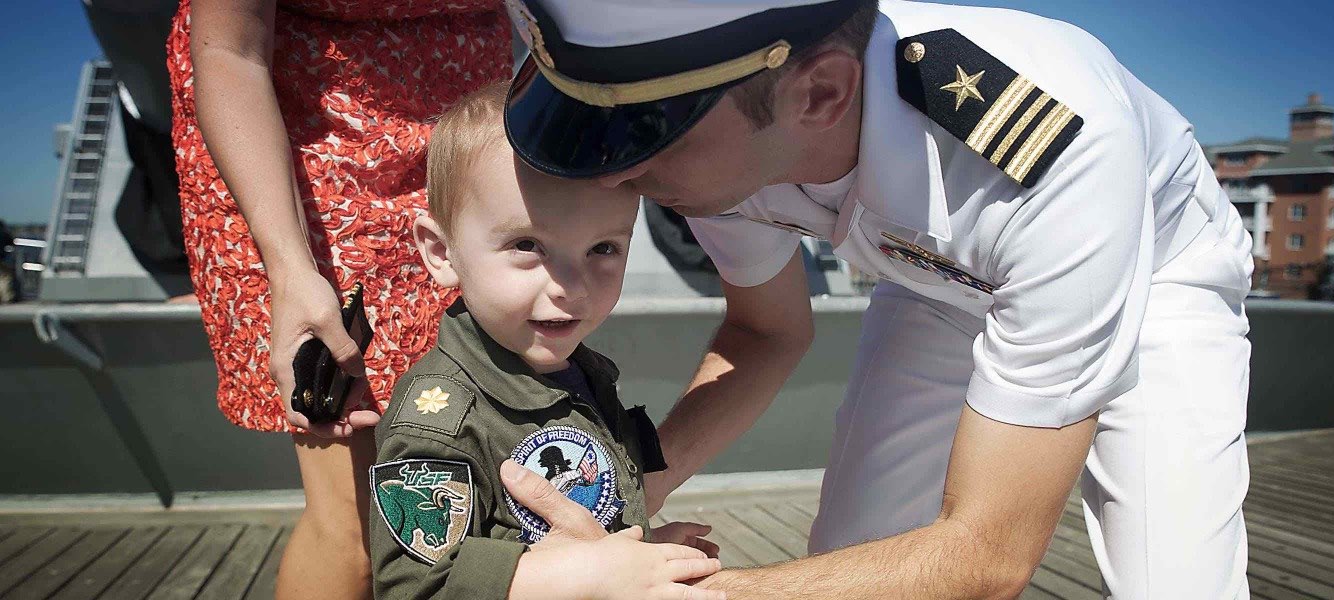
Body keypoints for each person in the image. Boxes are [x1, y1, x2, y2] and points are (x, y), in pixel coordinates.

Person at [499, 1, 1255, 598]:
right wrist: (629, 496)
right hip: (936, 281)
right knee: (854, 553)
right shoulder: (722, 134)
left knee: (1173, 581)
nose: (604, 172)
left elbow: (987, 555)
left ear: (821, 93)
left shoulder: (1054, 156)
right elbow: (766, 332)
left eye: (641, 125)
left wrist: (670, 594)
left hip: (1154, 274)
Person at [166, 0, 510, 597]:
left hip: (474, 135)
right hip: (300, 150)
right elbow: (228, 48)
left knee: (473, 479)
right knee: (359, 520)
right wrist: (291, 271)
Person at [370, 84, 722, 600]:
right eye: (527, 245)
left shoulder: (577, 373)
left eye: (602, 248)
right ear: (441, 252)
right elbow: (415, 587)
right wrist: (592, 576)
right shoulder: (442, 423)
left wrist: (637, 546)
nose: (570, 286)